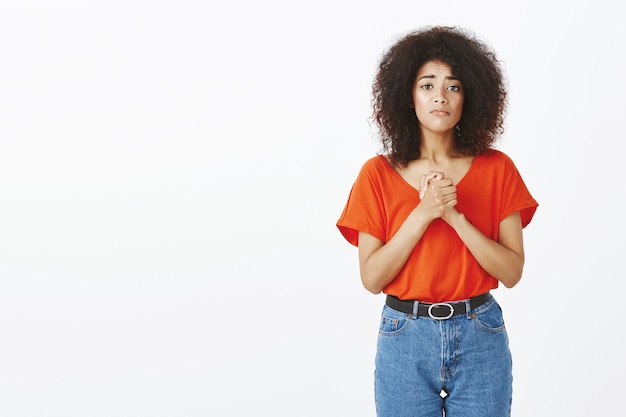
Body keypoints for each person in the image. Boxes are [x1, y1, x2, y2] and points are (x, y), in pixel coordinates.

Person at [336, 26, 538, 417]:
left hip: (480, 334)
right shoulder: (376, 174)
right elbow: (371, 278)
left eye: (454, 86)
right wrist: (424, 212)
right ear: (407, 96)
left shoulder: (497, 169)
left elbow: (512, 272)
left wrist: (454, 217)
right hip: (404, 337)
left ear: (471, 96)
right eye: (427, 85)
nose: (440, 96)